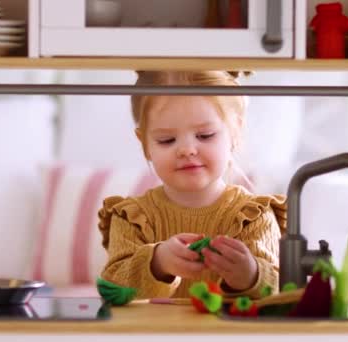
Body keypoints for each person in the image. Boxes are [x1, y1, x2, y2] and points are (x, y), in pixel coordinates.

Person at [98, 71, 286, 299]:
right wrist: (158, 262)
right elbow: (113, 290)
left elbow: (280, 292)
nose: (187, 149)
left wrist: (251, 275)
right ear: (145, 144)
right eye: (166, 140)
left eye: (205, 135)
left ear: (234, 131)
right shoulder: (132, 217)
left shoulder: (253, 217)